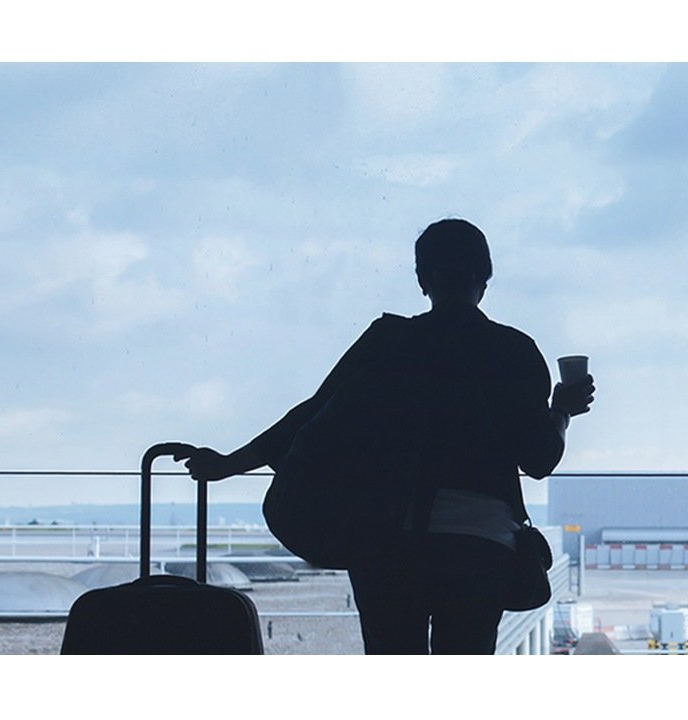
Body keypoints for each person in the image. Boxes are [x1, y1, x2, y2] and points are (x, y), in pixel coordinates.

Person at [183, 218, 594, 654]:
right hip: (479, 546)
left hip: (388, 540)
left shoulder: (388, 342)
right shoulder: (514, 351)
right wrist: (561, 411)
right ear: (485, 277)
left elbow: (308, 418)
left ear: (423, 279)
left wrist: (229, 464)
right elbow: (539, 459)